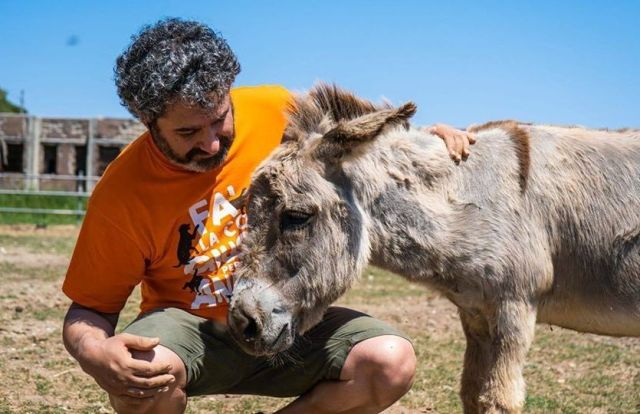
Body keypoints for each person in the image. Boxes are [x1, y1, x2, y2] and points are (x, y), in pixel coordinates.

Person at [61, 18, 475, 414]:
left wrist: (430, 141)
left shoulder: (277, 107)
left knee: (389, 361)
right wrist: (96, 353)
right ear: (148, 122)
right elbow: (88, 311)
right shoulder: (121, 192)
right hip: (194, 332)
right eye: (187, 133)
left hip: (291, 314)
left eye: (220, 120)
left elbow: (377, 135)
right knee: (142, 379)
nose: (209, 144)